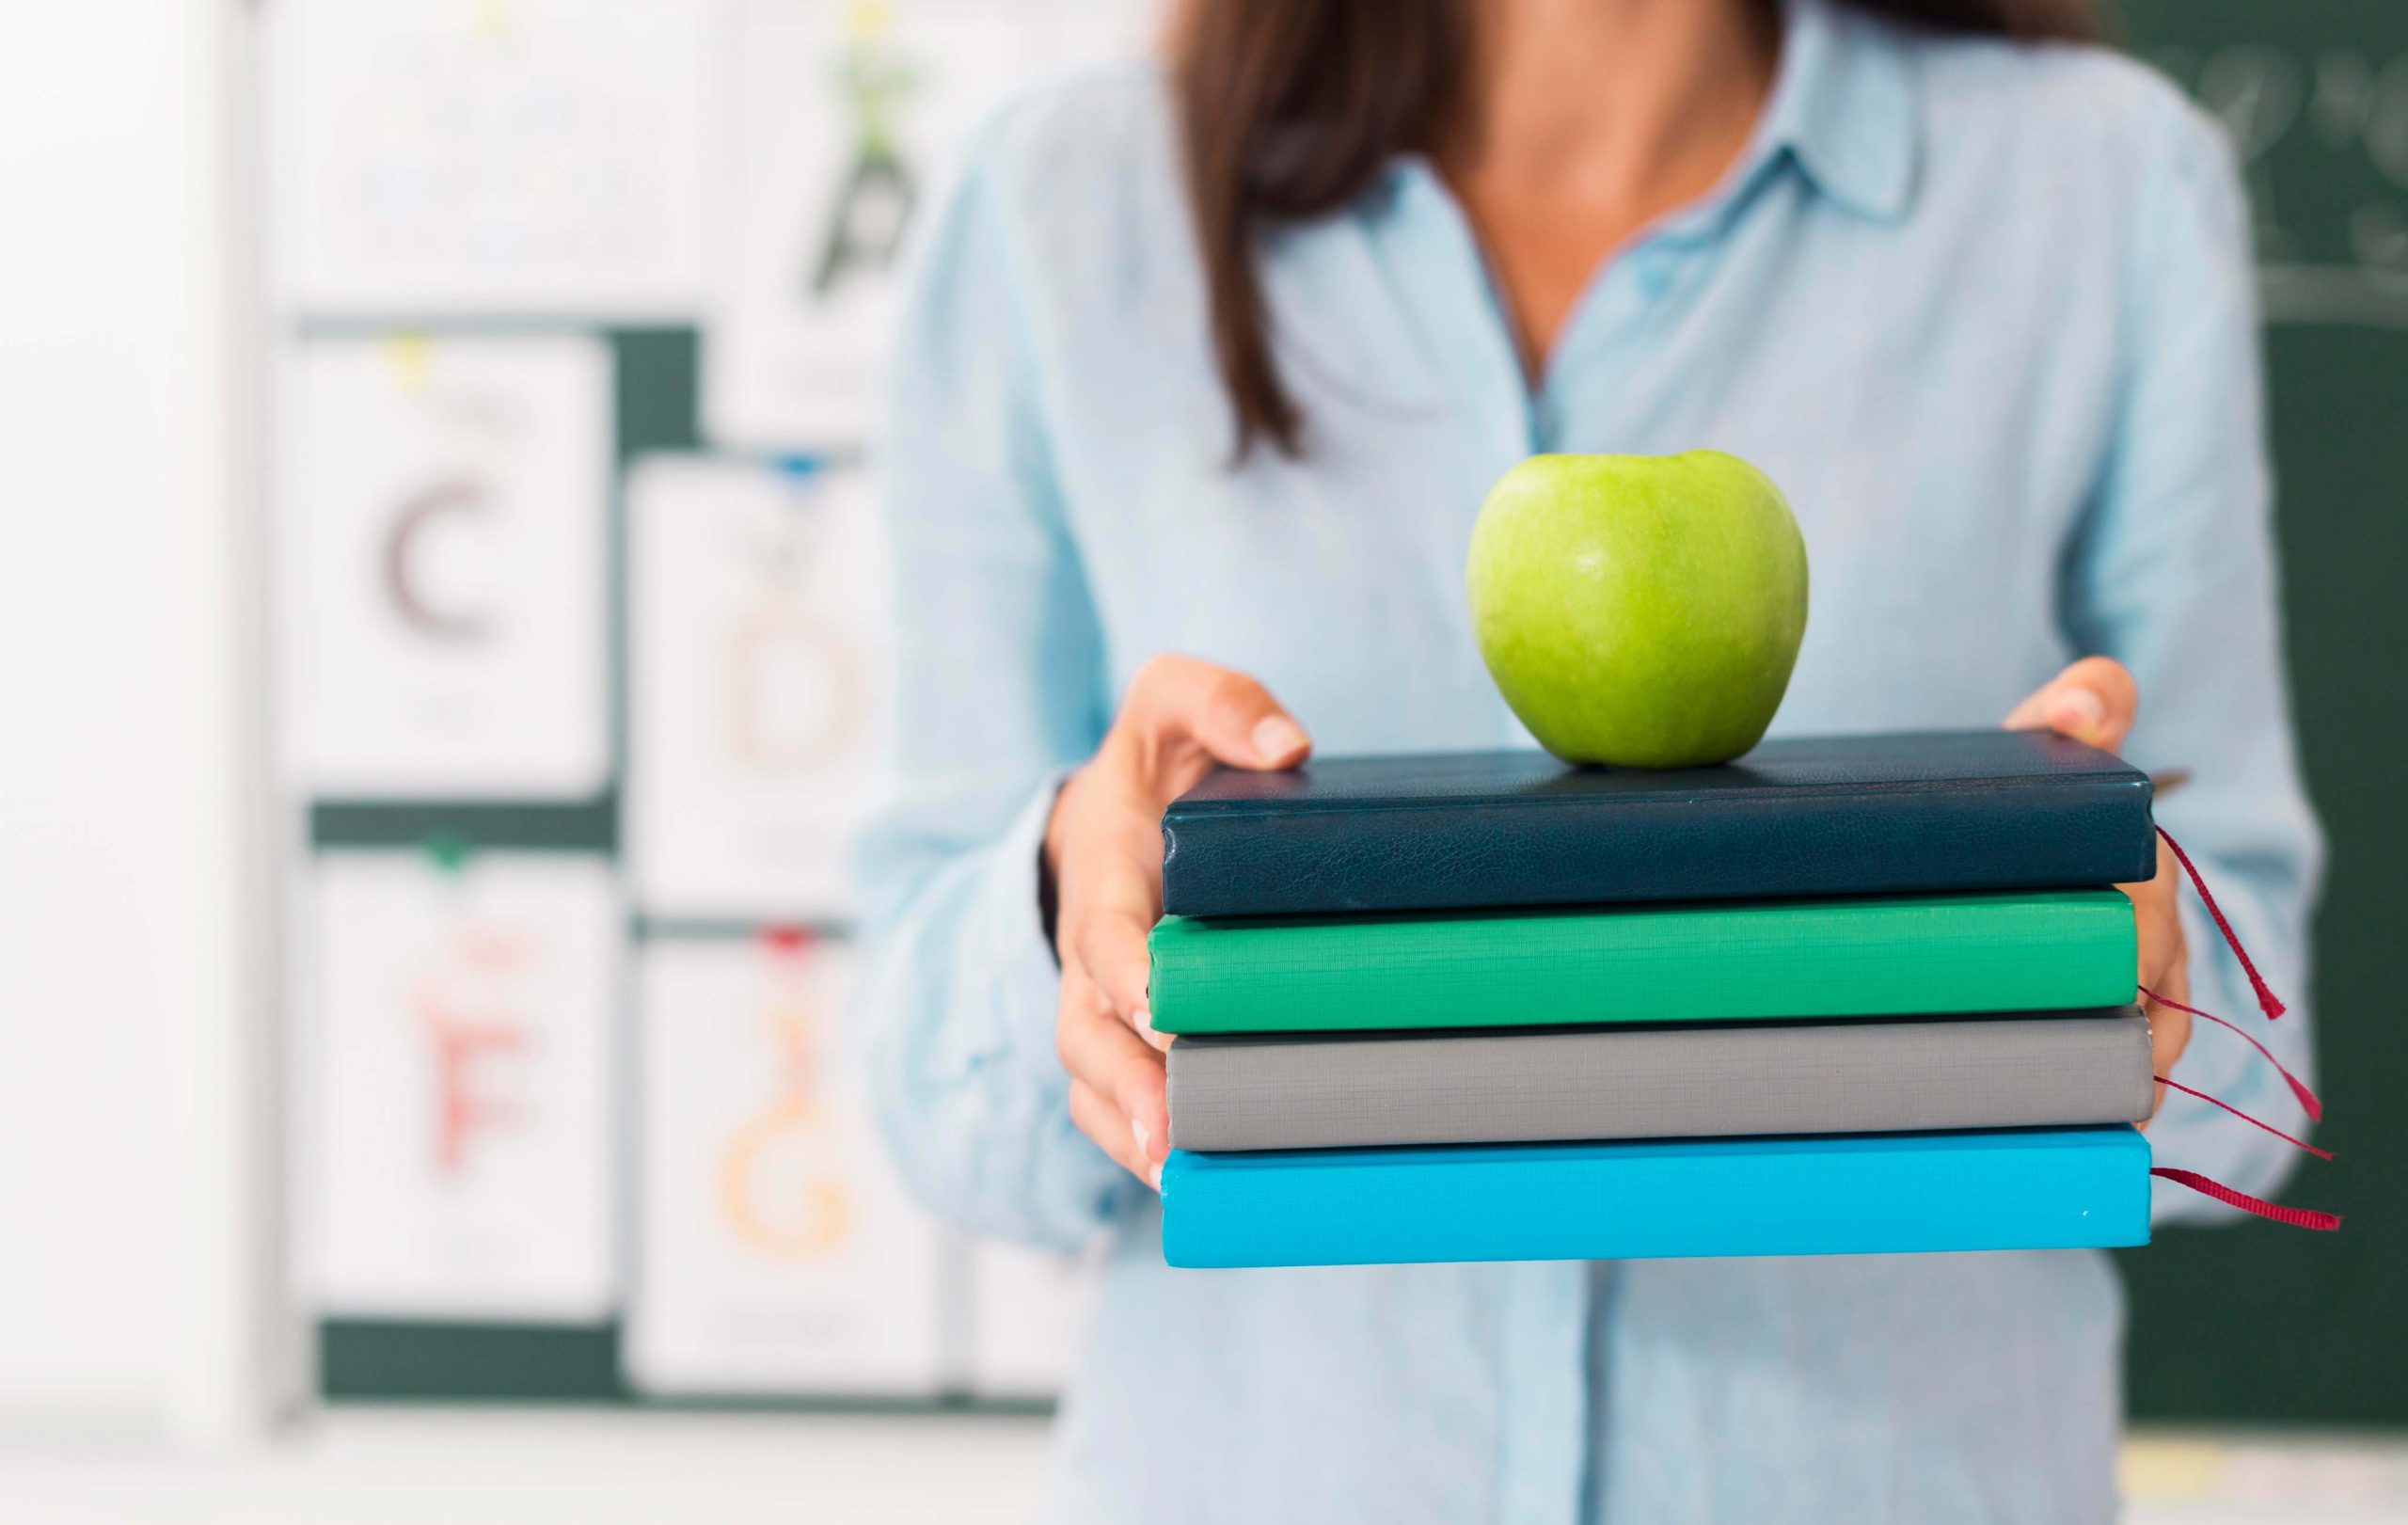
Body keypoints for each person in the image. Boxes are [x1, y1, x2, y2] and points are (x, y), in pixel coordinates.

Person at [858, 0, 2324, 1518]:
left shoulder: (2103, 185)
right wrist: (1062, 912)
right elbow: (924, 1090)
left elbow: (2261, 1074)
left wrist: (2125, 958)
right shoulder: (1065, 203)